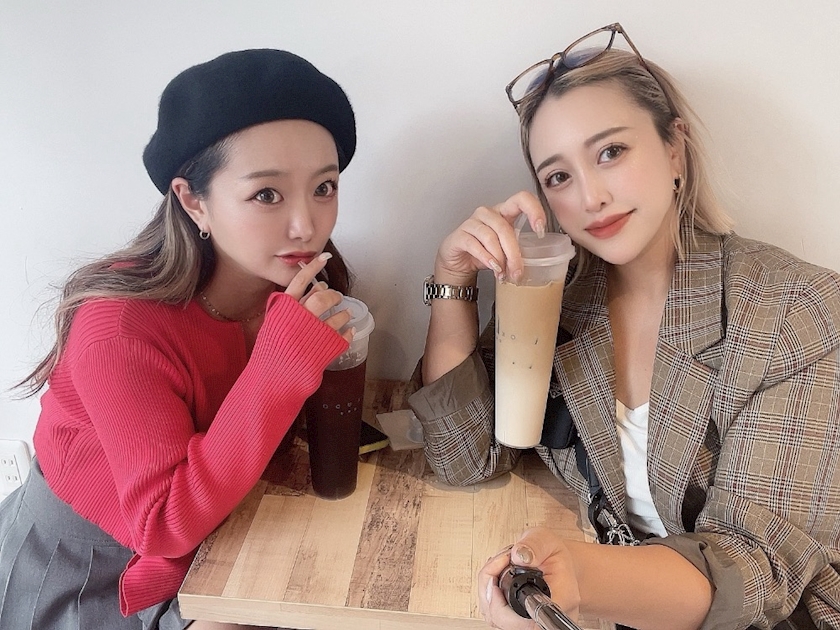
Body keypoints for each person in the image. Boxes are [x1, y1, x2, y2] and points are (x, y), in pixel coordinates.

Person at [408, 23, 840, 630]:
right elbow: (465, 457)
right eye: (558, 176)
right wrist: (452, 279)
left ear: (674, 149)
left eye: (610, 152)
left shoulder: (793, 309)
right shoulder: (557, 299)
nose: (591, 198)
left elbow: (752, 570)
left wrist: (581, 580)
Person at [0, 49, 358, 630]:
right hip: (87, 574)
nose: (307, 225)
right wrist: (281, 364)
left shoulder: (298, 287)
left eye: (324, 187)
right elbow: (163, 522)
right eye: (267, 194)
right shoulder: (117, 326)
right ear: (194, 201)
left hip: (224, 547)